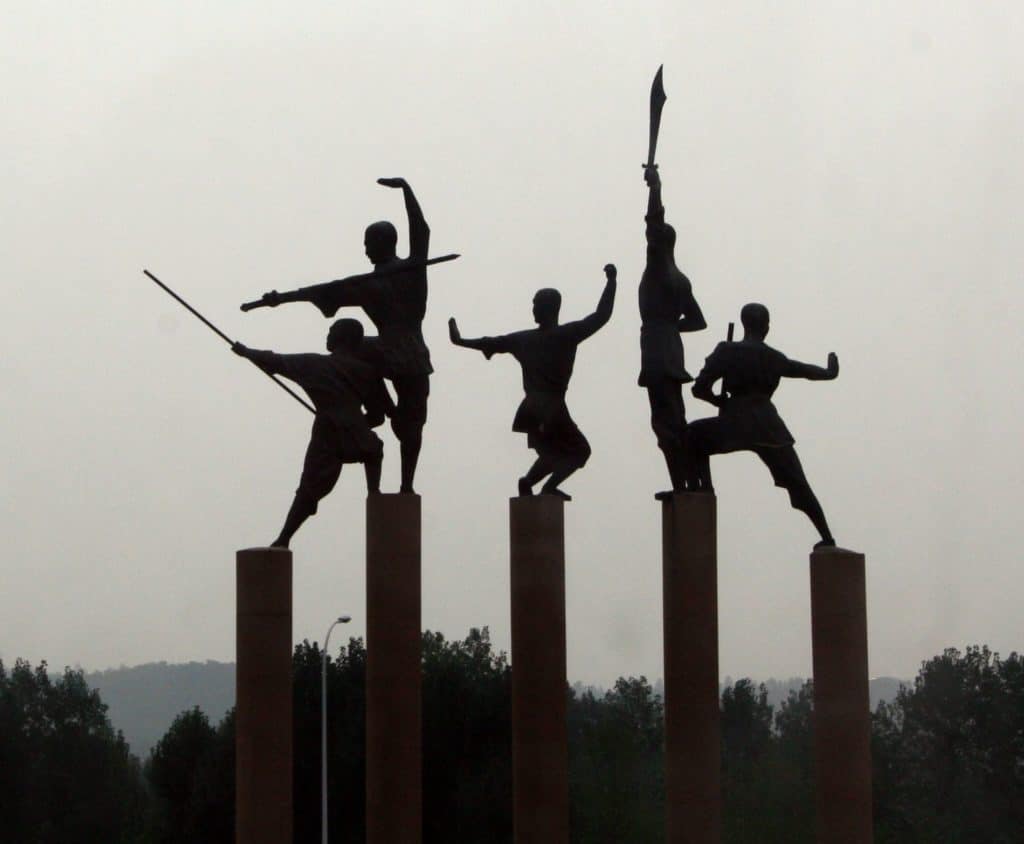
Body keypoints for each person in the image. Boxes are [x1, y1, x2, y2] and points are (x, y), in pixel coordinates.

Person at [246, 177, 432, 493]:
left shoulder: (404, 272)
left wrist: (406, 190)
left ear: (383, 243)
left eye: (368, 242)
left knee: (409, 422)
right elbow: (323, 291)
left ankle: (404, 480)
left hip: (403, 350)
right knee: (353, 354)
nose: (364, 248)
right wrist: (281, 299)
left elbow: (421, 230)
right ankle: (377, 413)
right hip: (401, 350)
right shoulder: (378, 279)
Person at [448, 265, 617, 500]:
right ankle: (545, 487)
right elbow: (602, 315)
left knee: (552, 453)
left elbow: (493, 343)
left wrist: (461, 340)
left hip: (532, 409)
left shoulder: (530, 339)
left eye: (537, 304)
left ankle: (528, 483)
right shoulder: (562, 335)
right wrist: (612, 281)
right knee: (579, 451)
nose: (533, 309)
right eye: (533, 304)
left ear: (550, 308)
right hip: (550, 407)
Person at [232, 318, 393, 548]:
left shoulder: (314, 364)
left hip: (327, 434)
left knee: (308, 489)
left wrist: (246, 351)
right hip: (356, 432)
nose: (327, 335)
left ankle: (284, 538)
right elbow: (378, 416)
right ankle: (374, 494)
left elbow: (275, 361)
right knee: (374, 449)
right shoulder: (367, 372)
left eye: (331, 331)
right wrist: (354, 423)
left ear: (343, 338)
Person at [688, 303, 838, 547]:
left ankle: (703, 489)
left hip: (735, 422)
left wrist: (718, 399)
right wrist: (829, 372)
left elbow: (699, 388)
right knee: (798, 483)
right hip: (769, 427)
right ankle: (827, 537)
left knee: (692, 437)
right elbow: (803, 370)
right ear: (766, 327)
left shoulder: (727, 350)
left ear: (744, 323)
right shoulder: (774, 358)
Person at [638, 164, 707, 500]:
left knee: (665, 423)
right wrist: (671, 328)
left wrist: (655, 187)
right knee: (675, 419)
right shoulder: (681, 279)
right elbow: (697, 321)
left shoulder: (658, 268)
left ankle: (683, 486)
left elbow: (652, 224)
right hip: (671, 348)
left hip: (657, 350)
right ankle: (689, 483)